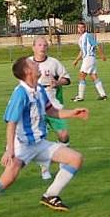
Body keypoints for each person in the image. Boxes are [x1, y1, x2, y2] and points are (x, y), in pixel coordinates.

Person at [0, 56, 89, 217]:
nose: (36, 64)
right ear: (27, 71)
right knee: (8, 178)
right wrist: (10, 150)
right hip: (22, 146)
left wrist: (73, 113)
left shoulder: (39, 89)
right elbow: (11, 123)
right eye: (33, 63)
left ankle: (50, 195)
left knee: (76, 159)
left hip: (40, 144)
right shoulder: (20, 93)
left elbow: (51, 111)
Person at [30, 36, 72, 180]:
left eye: (45, 45)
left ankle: (63, 161)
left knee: (64, 135)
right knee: (42, 140)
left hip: (54, 106)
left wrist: (58, 82)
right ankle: (44, 169)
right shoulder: (28, 64)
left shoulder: (54, 63)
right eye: (40, 45)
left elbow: (67, 79)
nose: (43, 47)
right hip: (36, 109)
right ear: (34, 47)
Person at [72, 21, 107, 102]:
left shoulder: (88, 36)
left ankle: (80, 96)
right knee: (93, 76)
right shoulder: (81, 38)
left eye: (82, 27)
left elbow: (96, 45)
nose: (80, 29)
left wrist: (102, 55)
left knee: (81, 75)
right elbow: (82, 51)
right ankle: (103, 95)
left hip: (89, 58)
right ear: (77, 29)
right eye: (79, 27)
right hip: (89, 58)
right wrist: (76, 60)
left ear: (85, 28)